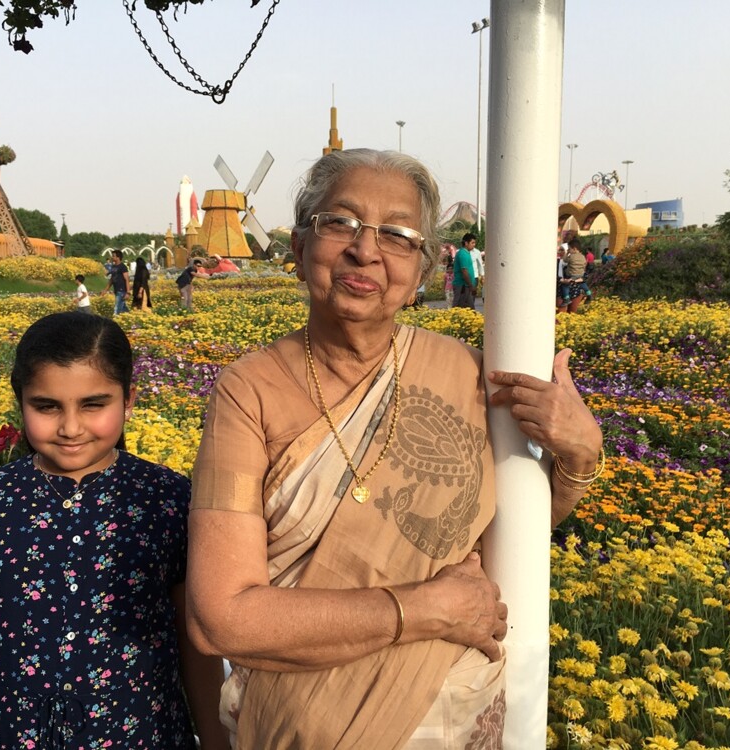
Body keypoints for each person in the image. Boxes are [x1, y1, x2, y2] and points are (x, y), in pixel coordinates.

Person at [186, 148, 603, 748]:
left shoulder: (467, 377)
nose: (366, 250)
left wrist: (580, 456)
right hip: (302, 726)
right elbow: (221, 619)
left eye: (398, 235)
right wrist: (422, 610)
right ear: (299, 250)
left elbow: (507, 538)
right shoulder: (248, 394)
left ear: (422, 275)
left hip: (453, 716)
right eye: (340, 222)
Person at [0, 312, 228, 750]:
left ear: (128, 400)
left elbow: (196, 646)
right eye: (47, 406)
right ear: (20, 400)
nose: (71, 428)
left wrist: (217, 741)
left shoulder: (168, 502)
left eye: (94, 404)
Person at [557, 237, 591, 314]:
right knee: (560, 314)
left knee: (572, 314)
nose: (560, 252)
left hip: (575, 291)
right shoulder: (557, 262)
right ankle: (587, 293)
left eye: (562, 250)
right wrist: (562, 280)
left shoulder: (571, 259)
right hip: (560, 293)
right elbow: (553, 276)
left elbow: (585, 275)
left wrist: (575, 280)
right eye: (559, 250)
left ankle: (587, 294)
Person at [452, 233, 478, 308]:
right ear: (466, 243)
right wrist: (471, 285)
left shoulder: (466, 253)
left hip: (466, 286)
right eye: (472, 243)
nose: (474, 245)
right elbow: (464, 271)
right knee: (460, 307)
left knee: (469, 308)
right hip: (462, 286)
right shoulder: (463, 254)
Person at [101, 249, 130, 315]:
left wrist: (128, 292)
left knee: (117, 310)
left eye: (113, 256)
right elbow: (111, 279)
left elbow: (127, 279)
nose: (112, 257)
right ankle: (131, 317)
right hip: (116, 290)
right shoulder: (113, 266)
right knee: (123, 309)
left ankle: (116, 319)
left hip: (121, 290)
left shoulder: (123, 267)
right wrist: (105, 290)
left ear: (118, 257)